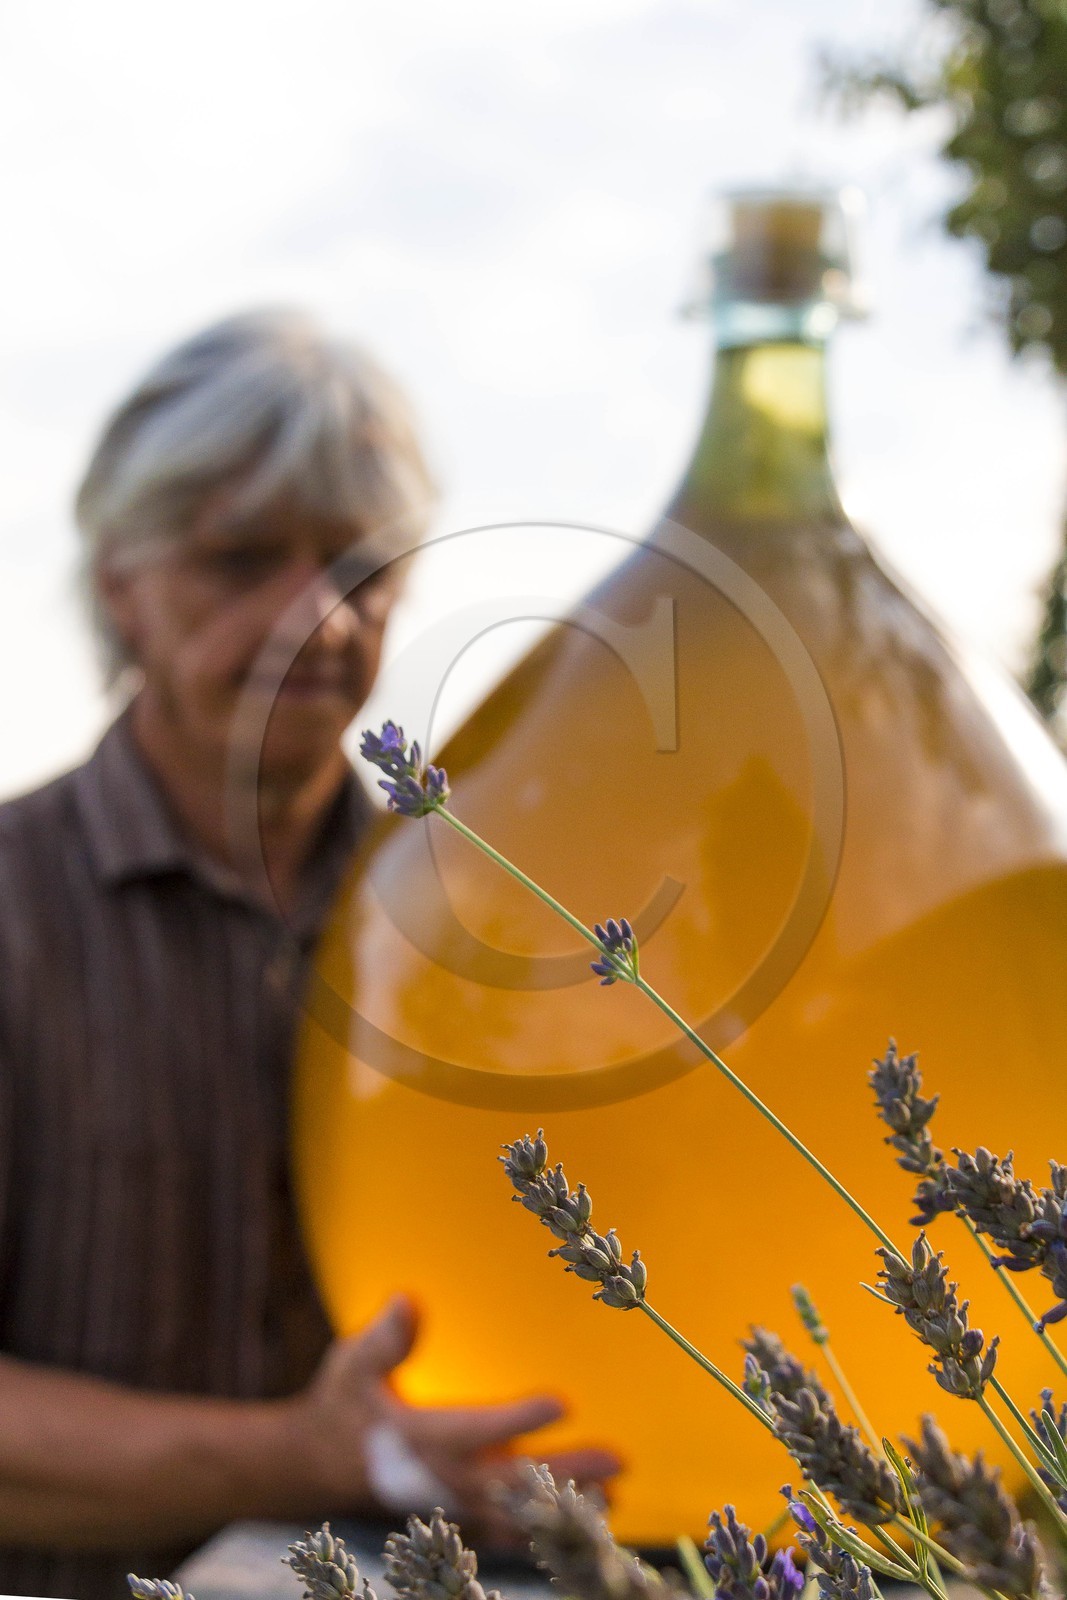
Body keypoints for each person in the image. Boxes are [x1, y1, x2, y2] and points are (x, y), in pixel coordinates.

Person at [0, 311, 617, 1600]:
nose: (314, 620)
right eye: (239, 561)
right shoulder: (13, 906)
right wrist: (315, 1456)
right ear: (120, 581)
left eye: (358, 565)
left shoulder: (482, 911)